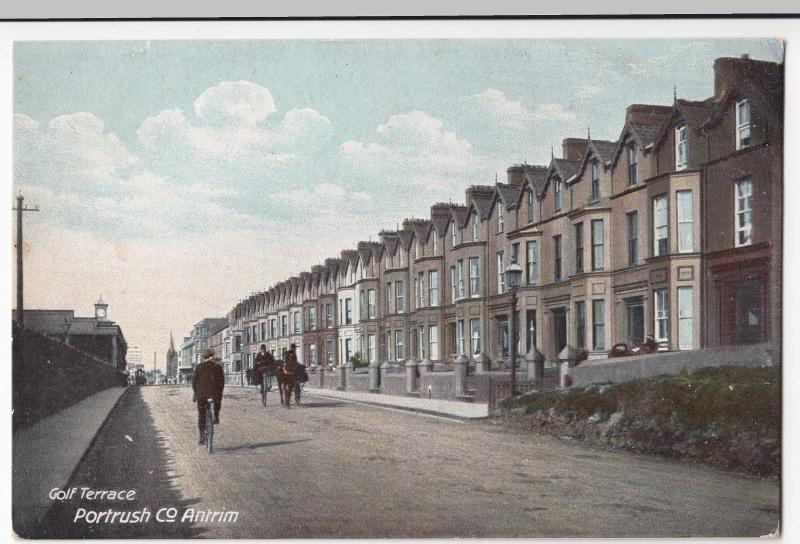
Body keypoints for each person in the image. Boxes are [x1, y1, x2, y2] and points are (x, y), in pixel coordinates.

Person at [192, 348, 225, 444]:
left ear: (204, 357)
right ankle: (216, 416)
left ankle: (202, 436)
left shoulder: (199, 367)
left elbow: (194, 382)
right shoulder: (217, 367)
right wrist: (220, 392)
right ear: (212, 356)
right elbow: (222, 382)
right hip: (214, 394)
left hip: (201, 395)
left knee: (201, 415)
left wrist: (196, 392)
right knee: (218, 400)